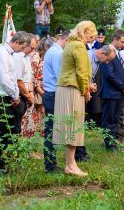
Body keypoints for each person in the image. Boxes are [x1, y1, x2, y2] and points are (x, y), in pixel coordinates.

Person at [52, 21, 96, 177]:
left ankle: (70, 163)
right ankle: (70, 165)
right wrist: (86, 91)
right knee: (73, 127)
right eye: (91, 35)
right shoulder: (78, 45)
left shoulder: (70, 43)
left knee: (69, 126)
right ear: (84, 31)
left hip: (66, 88)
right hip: (72, 89)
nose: (92, 39)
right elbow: (82, 73)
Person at [0, 31, 32, 172]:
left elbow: (13, 77)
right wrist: (15, 96)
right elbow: (4, 79)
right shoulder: (2, 54)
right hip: (3, 97)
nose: (23, 50)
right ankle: (1, 164)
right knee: (2, 130)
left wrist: (16, 95)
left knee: (12, 130)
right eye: (23, 47)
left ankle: (8, 162)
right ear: (16, 42)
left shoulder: (11, 54)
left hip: (11, 96)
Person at [42, 30, 69, 173]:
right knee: (51, 130)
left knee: (52, 130)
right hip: (53, 94)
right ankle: (50, 165)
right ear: (66, 40)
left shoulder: (53, 50)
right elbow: (62, 76)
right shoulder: (58, 53)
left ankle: (51, 163)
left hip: (51, 94)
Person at [101, 30, 124, 151]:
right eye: (121, 42)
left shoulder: (117, 53)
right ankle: (109, 144)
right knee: (109, 120)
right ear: (115, 39)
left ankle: (114, 142)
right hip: (110, 92)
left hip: (117, 93)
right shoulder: (107, 51)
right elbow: (109, 75)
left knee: (115, 119)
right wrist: (122, 85)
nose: (123, 45)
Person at [25, 37, 55, 138]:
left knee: (41, 123)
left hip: (44, 92)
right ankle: (29, 150)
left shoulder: (46, 57)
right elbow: (32, 77)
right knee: (31, 122)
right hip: (36, 93)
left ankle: (36, 149)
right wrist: (41, 93)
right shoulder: (35, 57)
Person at [14, 34, 38, 134]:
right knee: (17, 125)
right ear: (26, 45)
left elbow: (30, 77)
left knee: (24, 123)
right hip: (20, 94)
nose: (33, 51)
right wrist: (28, 96)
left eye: (34, 49)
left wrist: (31, 92)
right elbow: (19, 81)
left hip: (27, 94)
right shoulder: (17, 57)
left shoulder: (27, 57)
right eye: (31, 48)